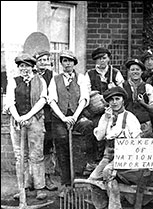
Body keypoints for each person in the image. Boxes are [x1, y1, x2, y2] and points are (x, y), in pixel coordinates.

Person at [88, 86, 142, 209]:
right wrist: (105, 119)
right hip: (109, 152)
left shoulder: (130, 118)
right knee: (93, 179)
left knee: (108, 172)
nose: (114, 102)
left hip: (126, 155)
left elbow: (138, 141)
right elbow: (99, 137)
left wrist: (128, 153)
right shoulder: (105, 117)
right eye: (111, 100)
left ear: (123, 100)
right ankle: (103, 208)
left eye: (117, 99)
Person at [47, 50, 94, 197]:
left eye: (70, 61)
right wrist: (63, 118)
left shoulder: (81, 78)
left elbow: (84, 99)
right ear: (61, 63)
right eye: (64, 61)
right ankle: (66, 183)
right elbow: (52, 100)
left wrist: (74, 116)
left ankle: (89, 164)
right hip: (59, 117)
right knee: (61, 141)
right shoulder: (55, 79)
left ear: (74, 63)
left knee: (89, 127)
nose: (67, 64)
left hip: (77, 114)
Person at [4, 54, 48, 200]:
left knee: (36, 154)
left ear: (32, 67)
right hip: (17, 121)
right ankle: (23, 187)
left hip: (35, 119)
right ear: (18, 68)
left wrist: (28, 116)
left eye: (27, 66)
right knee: (20, 155)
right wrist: (18, 118)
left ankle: (40, 187)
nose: (24, 69)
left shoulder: (40, 81)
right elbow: (10, 102)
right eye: (21, 66)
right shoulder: (13, 81)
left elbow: (42, 100)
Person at [83, 47, 125, 175]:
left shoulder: (115, 73)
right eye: (99, 59)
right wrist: (95, 96)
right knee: (96, 129)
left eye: (104, 58)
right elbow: (86, 91)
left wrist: (114, 88)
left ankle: (113, 161)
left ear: (108, 59)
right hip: (96, 110)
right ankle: (93, 162)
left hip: (113, 109)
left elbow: (121, 91)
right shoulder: (89, 74)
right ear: (95, 61)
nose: (102, 61)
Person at [33, 50, 58, 191]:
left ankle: (48, 176)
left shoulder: (53, 76)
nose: (43, 62)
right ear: (36, 62)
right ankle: (35, 179)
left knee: (48, 147)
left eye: (46, 60)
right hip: (34, 115)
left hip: (48, 116)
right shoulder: (31, 75)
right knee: (35, 148)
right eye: (41, 60)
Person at [123, 58, 153, 138]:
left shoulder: (148, 87)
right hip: (126, 125)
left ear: (141, 72)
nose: (135, 72)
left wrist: (143, 104)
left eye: (137, 69)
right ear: (129, 72)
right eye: (132, 70)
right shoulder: (122, 87)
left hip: (144, 125)